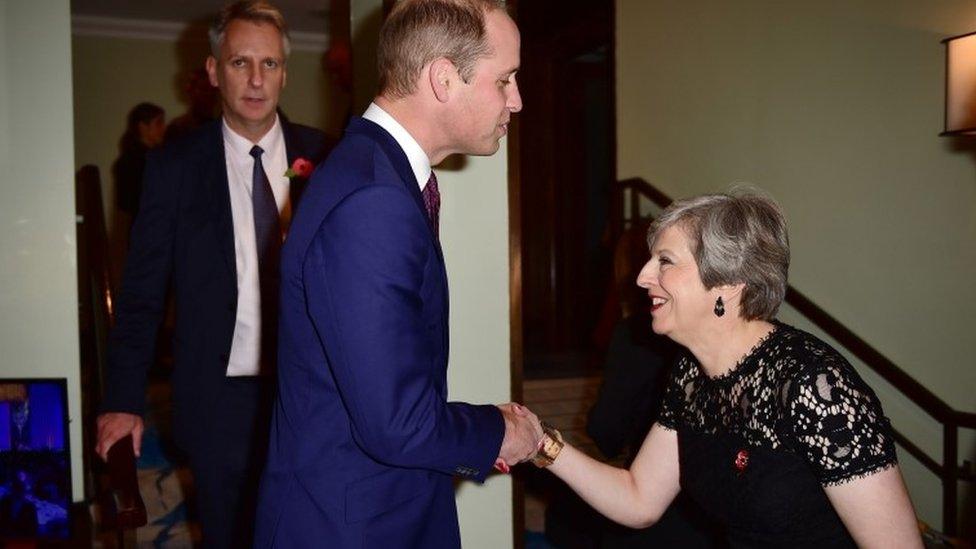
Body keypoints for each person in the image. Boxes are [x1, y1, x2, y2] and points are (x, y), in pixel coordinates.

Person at [254, 1, 541, 547]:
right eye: (504, 79)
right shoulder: (373, 200)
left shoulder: (375, 172)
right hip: (352, 525)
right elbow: (398, 424)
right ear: (443, 78)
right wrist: (501, 431)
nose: (517, 100)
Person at [525, 189, 923, 548]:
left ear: (728, 282)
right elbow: (639, 498)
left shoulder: (814, 384)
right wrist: (539, 444)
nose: (643, 276)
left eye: (665, 261)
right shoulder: (692, 376)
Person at [94, 2, 328, 547]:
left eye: (269, 65)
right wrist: (123, 399)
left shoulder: (325, 157)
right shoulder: (173, 168)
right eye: (240, 62)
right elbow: (141, 293)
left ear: (284, 74)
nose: (255, 79)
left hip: (311, 395)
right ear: (213, 71)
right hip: (218, 399)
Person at [114, 102, 165, 219]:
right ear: (143, 127)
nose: (163, 128)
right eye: (158, 123)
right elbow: (128, 204)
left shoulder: (155, 157)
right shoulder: (133, 162)